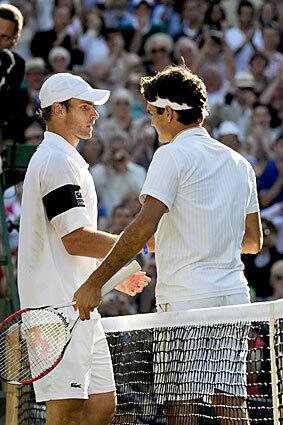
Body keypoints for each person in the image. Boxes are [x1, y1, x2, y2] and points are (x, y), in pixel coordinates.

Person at [73, 65, 263, 424]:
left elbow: (144, 226)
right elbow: (253, 242)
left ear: (169, 113)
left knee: (182, 408)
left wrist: (95, 281)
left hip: (186, 301)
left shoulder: (170, 155)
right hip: (235, 300)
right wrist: (196, 238)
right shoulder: (240, 163)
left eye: (152, 114)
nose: (151, 124)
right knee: (231, 405)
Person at [17, 72, 150, 425]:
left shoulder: (68, 160)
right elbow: (75, 239)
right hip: (54, 311)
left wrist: (113, 275)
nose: (94, 115)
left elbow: (76, 241)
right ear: (58, 110)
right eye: (85, 106)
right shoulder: (56, 161)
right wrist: (132, 247)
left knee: (101, 405)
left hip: (77, 307)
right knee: (66, 413)